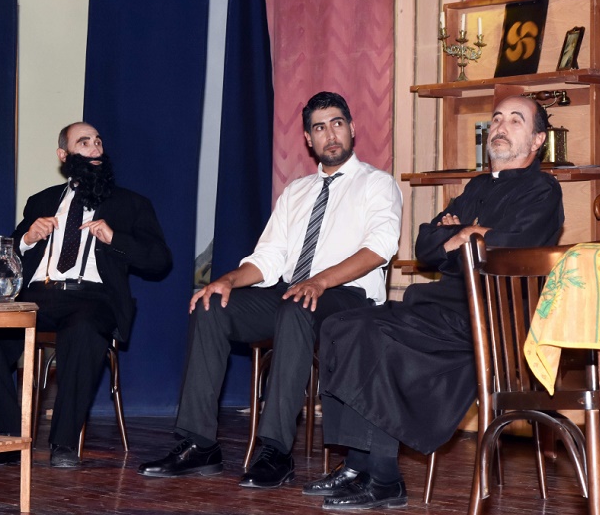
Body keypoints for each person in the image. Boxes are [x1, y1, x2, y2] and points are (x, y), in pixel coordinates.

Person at [302, 94, 564, 510]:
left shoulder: (542, 191)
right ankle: (357, 464)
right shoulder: (477, 188)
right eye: (496, 118)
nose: (500, 126)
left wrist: (462, 233)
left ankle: (385, 478)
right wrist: (465, 234)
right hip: (436, 309)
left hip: (483, 321)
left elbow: (504, 247)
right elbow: (426, 242)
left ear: (537, 141)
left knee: (375, 336)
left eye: (516, 121)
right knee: (341, 326)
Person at [137, 91, 403, 489]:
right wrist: (226, 280)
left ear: (352, 129)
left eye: (337, 123)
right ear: (308, 140)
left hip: (348, 298)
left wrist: (320, 280)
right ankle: (199, 445)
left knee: (297, 305)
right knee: (212, 306)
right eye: (319, 127)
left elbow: (380, 248)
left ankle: (275, 451)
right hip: (293, 292)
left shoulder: (377, 185)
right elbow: (269, 259)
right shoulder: (295, 193)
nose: (330, 134)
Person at [0, 122, 172, 468]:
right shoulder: (41, 201)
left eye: (98, 141)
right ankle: (6, 439)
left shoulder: (131, 204)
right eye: (84, 142)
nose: (94, 148)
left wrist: (115, 239)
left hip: (94, 298)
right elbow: (6, 258)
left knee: (83, 329)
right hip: (40, 296)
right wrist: (29, 238)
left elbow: (160, 262)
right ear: (64, 155)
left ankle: (62, 444)